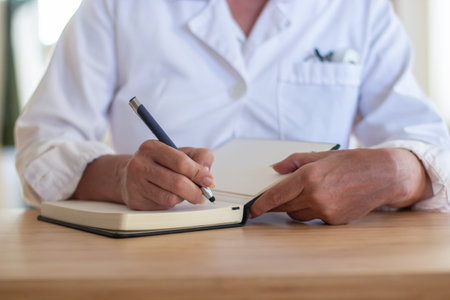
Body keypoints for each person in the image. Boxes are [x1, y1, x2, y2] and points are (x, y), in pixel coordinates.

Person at [15, 0, 450, 225]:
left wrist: (400, 172)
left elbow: (434, 149)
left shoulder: (359, 10)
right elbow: (42, 149)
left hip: (319, 265)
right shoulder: (114, 7)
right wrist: (121, 177)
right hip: (158, 266)